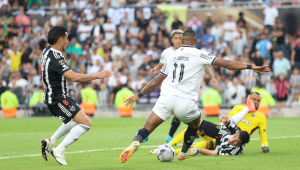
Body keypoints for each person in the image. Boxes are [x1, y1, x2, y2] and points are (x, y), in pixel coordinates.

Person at [119, 29, 270, 163]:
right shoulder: (200, 54)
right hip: (186, 101)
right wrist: (251, 67)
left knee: (147, 127)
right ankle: (184, 152)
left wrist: (138, 95)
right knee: (195, 125)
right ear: (196, 42)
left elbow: (156, 81)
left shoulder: (172, 56)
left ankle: (137, 141)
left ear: (182, 41)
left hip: (166, 98)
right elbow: (227, 64)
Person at [40, 26, 113, 165]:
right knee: (86, 123)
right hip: (57, 98)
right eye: (66, 39)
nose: (68, 42)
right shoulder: (55, 57)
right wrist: (97, 75)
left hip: (55, 96)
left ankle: (50, 142)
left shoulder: (48, 50)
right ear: (60, 40)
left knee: (74, 120)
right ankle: (59, 149)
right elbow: (73, 77)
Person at [150, 29, 217, 143]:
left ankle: (170, 135)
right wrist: (155, 69)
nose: (178, 40)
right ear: (172, 40)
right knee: (165, 111)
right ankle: (149, 133)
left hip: (185, 87)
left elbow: (204, 66)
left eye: (179, 38)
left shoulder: (193, 52)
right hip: (170, 85)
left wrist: (212, 77)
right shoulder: (167, 53)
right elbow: (162, 65)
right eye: (175, 38)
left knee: (178, 113)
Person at [151, 93, 269, 155]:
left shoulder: (261, 117)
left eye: (258, 100)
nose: (256, 102)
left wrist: (264, 146)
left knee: (204, 144)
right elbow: (230, 121)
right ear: (249, 99)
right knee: (195, 127)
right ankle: (167, 146)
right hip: (225, 131)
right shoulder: (238, 108)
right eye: (254, 99)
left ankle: (169, 152)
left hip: (232, 140)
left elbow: (263, 133)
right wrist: (225, 121)